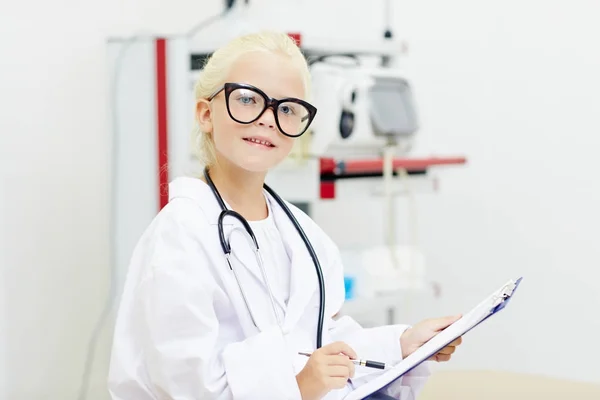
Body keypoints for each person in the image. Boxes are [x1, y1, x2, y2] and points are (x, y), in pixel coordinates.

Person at [107, 30, 463, 400]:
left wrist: (403, 343)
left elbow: (320, 341)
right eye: (247, 99)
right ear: (206, 113)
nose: (267, 119)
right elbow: (186, 385)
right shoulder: (180, 234)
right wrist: (301, 386)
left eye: (288, 108)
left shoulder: (302, 234)